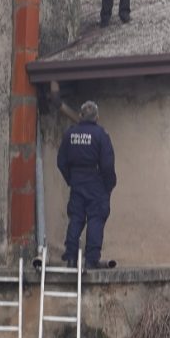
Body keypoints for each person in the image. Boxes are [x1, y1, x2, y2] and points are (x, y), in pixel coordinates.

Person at [57, 100, 117, 269]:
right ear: (97, 117)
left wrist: (71, 179)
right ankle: (91, 259)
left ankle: (70, 257)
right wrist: (109, 185)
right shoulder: (101, 135)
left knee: (76, 218)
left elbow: (61, 161)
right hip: (96, 183)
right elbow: (107, 165)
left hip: (77, 182)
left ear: (81, 115)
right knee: (96, 218)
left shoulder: (70, 134)